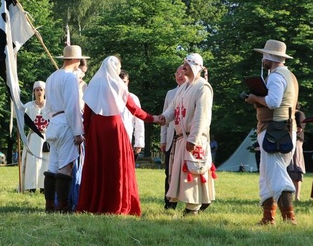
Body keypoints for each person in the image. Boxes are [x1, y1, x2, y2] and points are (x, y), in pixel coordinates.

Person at [76, 56, 159, 216]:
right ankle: (117, 203)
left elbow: (87, 115)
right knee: (117, 166)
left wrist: (87, 133)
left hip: (97, 129)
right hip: (115, 128)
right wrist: (153, 118)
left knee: (98, 165)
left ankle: (95, 203)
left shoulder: (93, 85)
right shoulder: (119, 85)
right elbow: (134, 109)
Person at [244, 39, 298, 225]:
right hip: (281, 128)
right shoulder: (289, 75)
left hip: (275, 129)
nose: (263, 60)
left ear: (270, 57)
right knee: (267, 174)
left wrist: (254, 98)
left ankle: (289, 218)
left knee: (275, 173)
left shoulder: (276, 76)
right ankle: (268, 218)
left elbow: (274, 102)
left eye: (264, 56)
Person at [160, 54, 215, 216]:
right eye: (183, 64)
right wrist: (163, 118)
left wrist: (194, 139)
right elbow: (173, 108)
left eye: (186, 64)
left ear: (195, 66)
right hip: (182, 139)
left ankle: (193, 208)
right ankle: (191, 207)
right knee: (183, 175)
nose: (183, 67)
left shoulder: (203, 87)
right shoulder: (184, 87)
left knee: (193, 173)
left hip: (194, 139)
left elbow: (202, 116)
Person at [43, 45, 88, 212]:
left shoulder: (51, 77)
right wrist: (78, 131)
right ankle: (62, 205)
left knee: (53, 166)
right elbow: (72, 106)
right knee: (66, 166)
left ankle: (49, 205)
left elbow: (47, 107)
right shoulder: (70, 78)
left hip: (53, 122)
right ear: (76, 60)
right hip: (66, 124)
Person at [160, 64, 186, 210]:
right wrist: (163, 140)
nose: (179, 76)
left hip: (185, 137)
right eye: (176, 73)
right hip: (172, 138)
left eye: (182, 73)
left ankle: (191, 202)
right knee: (168, 172)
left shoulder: (194, 90)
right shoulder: (170, 93)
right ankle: (169, 204)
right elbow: (165, 117)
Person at [21, 81, 50, 193]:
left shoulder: (50, 106)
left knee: (46, 163)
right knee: (32, 163)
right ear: (34, 92)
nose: (39, 92)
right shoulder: (28, 106)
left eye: (41, 90)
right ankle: (31, 187)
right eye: (37, 90)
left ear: (45, 92)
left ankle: (44, 187)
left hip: (46, 138)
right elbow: (18, 114)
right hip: (33, 138)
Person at [119, 70, 145, 161]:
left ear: (128, 82)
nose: (122, 84)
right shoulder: (110, 98)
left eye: (124, 82)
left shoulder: (133, 98)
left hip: (127, 137)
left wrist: (139, 142)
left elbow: (139, 122)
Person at [288, 103, 306, 201]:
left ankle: (297, 197)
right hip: (286, 140)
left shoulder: (299, 114)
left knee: (296, 166)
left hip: (296, 140)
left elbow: (299, 128)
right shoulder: (284, 113)